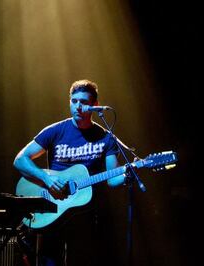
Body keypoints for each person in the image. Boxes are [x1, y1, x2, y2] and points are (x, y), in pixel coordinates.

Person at [13, 79, 125, 266]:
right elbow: (20, 160)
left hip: (85, 213)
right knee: (49, 261)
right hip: (53, 208)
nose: (78, 106)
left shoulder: (106, 138)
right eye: (74, 101)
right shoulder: (56, 131)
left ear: (95, 106)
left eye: (84, 102)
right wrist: (46, 179)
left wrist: (128, 173)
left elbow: (112, 179)